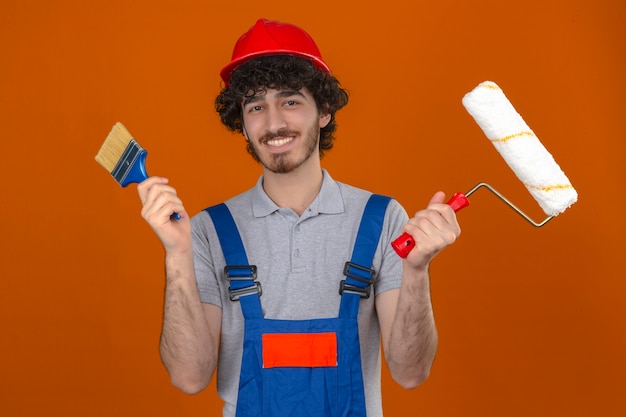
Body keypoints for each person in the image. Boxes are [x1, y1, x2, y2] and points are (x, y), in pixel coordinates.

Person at [137, 18, 460, 417]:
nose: (273, 124)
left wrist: (416, 272)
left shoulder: (381, 219)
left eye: (290, 101)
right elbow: (188, 378)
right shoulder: (206, 230)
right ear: (242, 122)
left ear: (323, 110)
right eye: (256, 106)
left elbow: (411, 373)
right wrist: (176, 255)